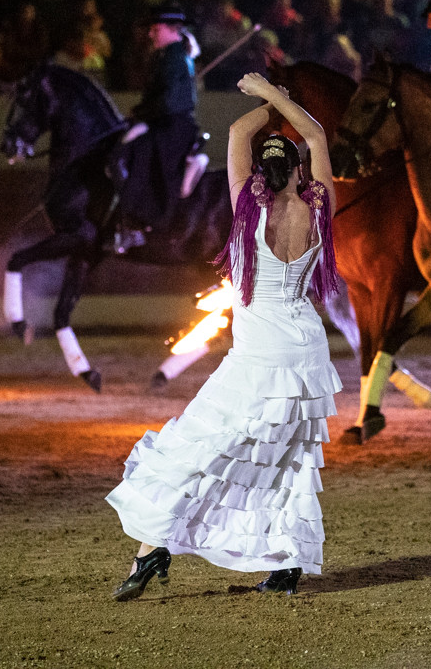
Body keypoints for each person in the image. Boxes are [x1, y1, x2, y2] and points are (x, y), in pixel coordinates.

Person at [106, 71, 341, 600]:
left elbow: (237, 133)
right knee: (289, 461)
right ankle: (286, 564)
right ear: (300, 169)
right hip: (305, 353)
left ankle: (151, 551)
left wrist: (267, 100)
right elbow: (320, 137)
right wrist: (285, 102)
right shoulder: (319, 208)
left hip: (258, 356)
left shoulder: (246, 208)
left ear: (261, 172)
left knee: (197, 447)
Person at [114, 3, 201, 251]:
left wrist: (142, 113)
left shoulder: (174, 57)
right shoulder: (167, 56)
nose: (151, 34)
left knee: (134, 156)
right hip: (164, 123)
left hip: (172, 127)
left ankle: (137, 224)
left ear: (173, 30)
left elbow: (170, 101)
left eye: (156, 29)